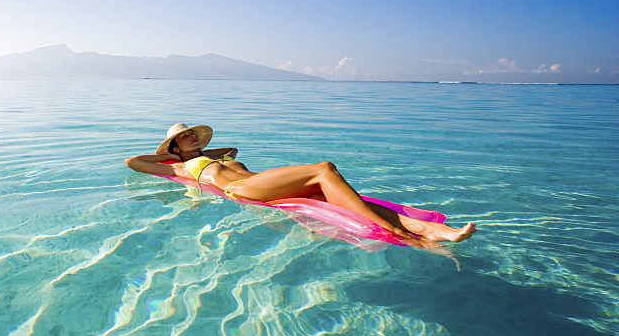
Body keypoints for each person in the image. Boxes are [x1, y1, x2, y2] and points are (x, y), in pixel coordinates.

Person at [125, 123, 476, 243]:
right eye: (183, 137)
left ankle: (432, 232)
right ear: (171, 148)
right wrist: (174, 156)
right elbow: (133, 161)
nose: (191, 138)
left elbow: (233, 148)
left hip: (260, 182)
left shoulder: (219, 157)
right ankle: (395, 230)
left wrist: (200, 149)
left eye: (193, 134)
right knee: (324, 169)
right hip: (245, 190)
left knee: (341, 196)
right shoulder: (178, 169)